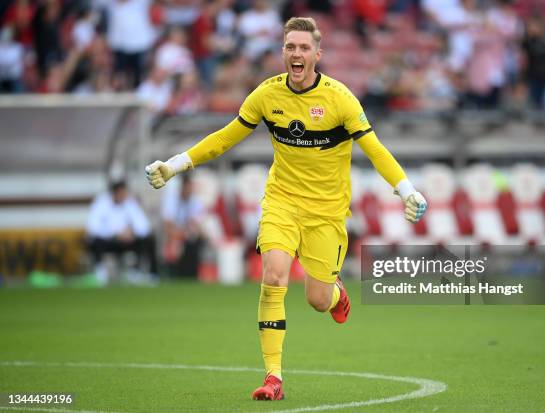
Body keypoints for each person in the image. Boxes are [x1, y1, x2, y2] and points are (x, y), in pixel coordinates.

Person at [145, 17, 427, 400]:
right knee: (274, 277)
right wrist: (176, 164)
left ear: (317, 54)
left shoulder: (340, 99)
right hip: (281, 201)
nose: (296, 54)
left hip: (327, 212)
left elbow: (374, 149)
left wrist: (405, 188)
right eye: (290, 47)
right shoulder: (266, 95)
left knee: (317, 299)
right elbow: (225, 138)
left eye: (304, 48)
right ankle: (273, 378)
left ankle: (335, 294)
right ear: (283, 51)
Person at [86, 179, 157, 284]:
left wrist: (132, 232)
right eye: (120, 192)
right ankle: (100, 274)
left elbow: (143, 226)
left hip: (128, 241)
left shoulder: (130, 203)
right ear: (114, 192)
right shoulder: (101, 203)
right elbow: (93, 228)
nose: (123, 195)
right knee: (95, 241)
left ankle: (144, 273)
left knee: (149, 239)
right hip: (109, 241)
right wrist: (116, 233)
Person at [161, 174, 206, 277]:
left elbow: (197, 224)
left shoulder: (195, 201)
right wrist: (179, 234)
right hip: (174, 235)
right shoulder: (171, 200)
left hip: (188, 235)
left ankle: (192, 274)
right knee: (178, 245)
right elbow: (168, 225)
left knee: (195, 241)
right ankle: (175, 274)